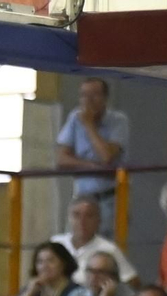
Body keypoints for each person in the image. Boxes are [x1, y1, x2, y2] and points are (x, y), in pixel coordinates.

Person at [55, 78, 128, 234]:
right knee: (75, 241)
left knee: (106, 244)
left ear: (105, 98)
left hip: (108, 200)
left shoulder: (118, 121)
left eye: (94, 95)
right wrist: (91, 166)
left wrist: (89, 125)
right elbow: (61, 159)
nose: (88, 101)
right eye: (83, 95)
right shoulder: (75, 118)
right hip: (81, 197)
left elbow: (106, 156)